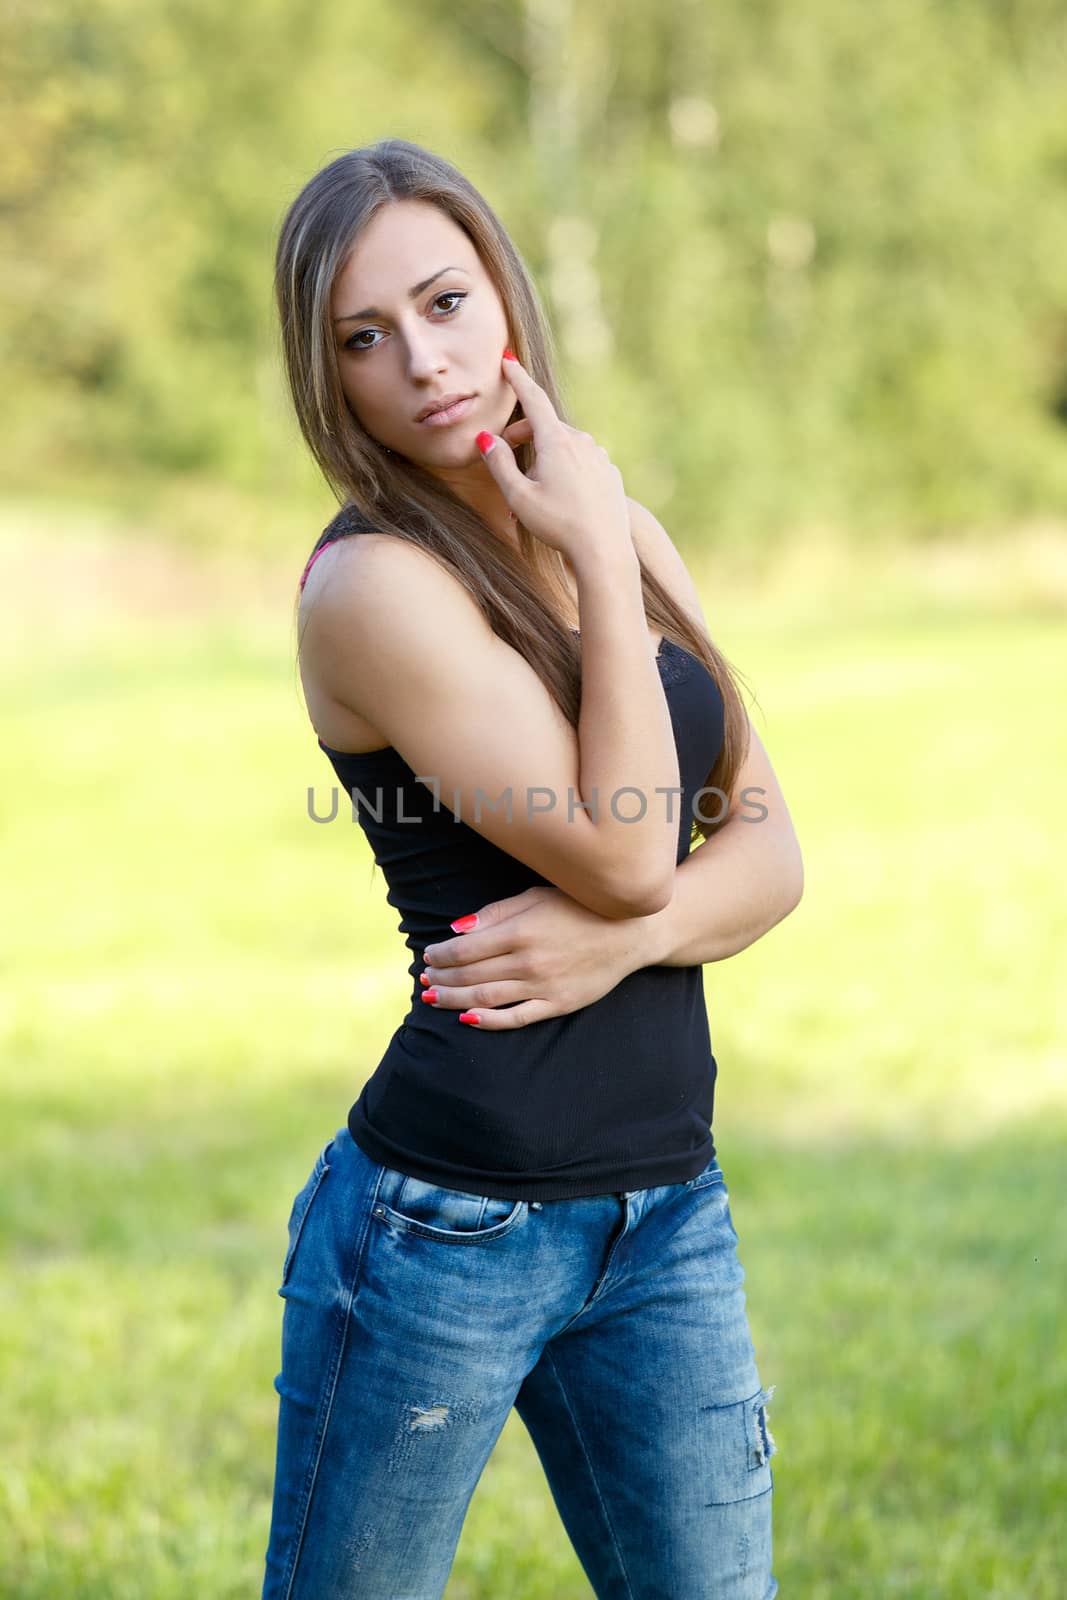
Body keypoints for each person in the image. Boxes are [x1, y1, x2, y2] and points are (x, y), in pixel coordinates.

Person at [261, 137, 803, 1600]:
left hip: (666, 1209)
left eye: (444, 303)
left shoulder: (611, 523)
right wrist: (605, 561)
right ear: (331, 378)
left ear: (504, 288)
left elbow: (771, 846)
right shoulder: (375, 588)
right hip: (449, 1226)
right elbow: (634, 840)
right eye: (362, 339)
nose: (421, 363)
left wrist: (629, 942)